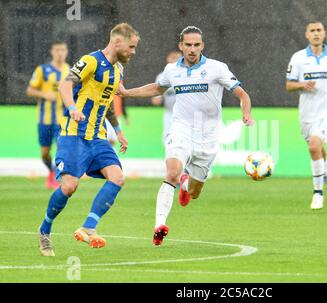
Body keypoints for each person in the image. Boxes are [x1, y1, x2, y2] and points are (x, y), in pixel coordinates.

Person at [119, 26, 254, 246]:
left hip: (208, 137)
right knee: (172, 172)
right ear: (181, 46)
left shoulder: (216, 68)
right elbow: (157, 88)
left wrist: (246, 113)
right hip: (181, 129)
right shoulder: (172, 70)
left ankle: (185, 185)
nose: (192, 49)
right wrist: (126, 92)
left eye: (196, 45)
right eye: (188, 45)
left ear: (202, 46)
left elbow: (242, 94)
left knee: (195, 191)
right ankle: (159, 225)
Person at [37, 23, 138, 257]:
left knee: (118, 177)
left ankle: (89, 227)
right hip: (74, 135)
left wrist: (118, 130)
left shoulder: (119, 69)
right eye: (131, 47)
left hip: (99, 137)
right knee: (70, 186)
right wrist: (72, 107)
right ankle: (44, 230)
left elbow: (108, 100)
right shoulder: (91, 61)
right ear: (117, 42)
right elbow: (65, 84)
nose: (133, 52)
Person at [286, 21, 327, 213]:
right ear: (306, 35)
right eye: (312, 31)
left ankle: (317, 193)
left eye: (319, 30)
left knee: (314, 146)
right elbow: (289, 85)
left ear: (324, 33)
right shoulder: (298, 58)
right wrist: (302, 85)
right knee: (319, 151)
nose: (316, 34)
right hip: (307, 113)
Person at [27, 41, 70, 189]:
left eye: (63, 50)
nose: (60, 53)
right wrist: (45, 94)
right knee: (45, 153)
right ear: (52, 52)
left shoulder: (70, 71)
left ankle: (60, 178)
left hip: (62, 120)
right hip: (44, 119)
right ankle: (51, 170)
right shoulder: (42, 70)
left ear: (66, 52)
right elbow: (30, 90)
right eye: (57, 50)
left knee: (61, 149)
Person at [151, 50, 182, 144]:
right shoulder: (162, 77)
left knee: (184, 139)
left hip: (184, 114)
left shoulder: (187, 75)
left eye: (178, 60)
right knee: (168, 139)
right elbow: (155, 99)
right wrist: (157, 98)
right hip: (169, 113)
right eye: (172, 60)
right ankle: (170, 157)